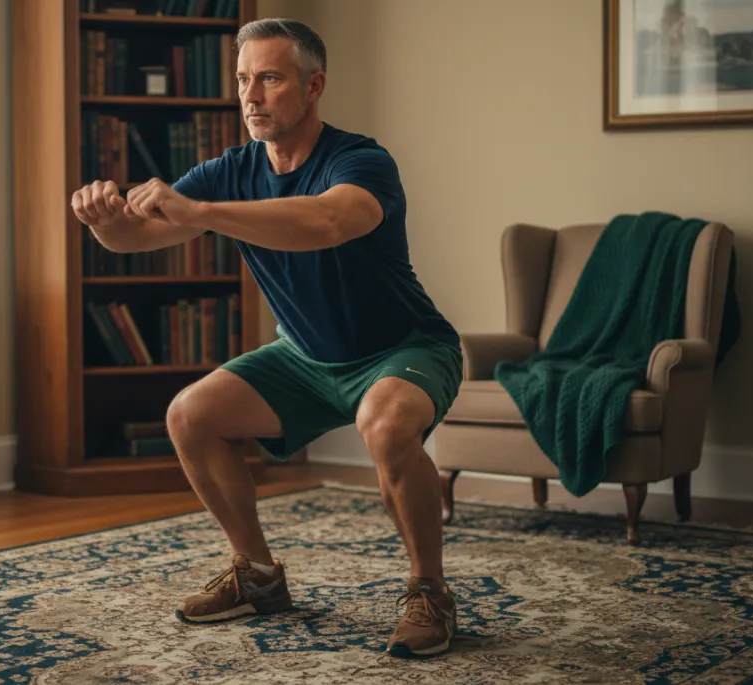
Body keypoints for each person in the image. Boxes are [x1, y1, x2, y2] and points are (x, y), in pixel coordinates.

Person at [70, 18, 463, 659]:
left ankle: (428, 591)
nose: (251, 96)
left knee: (388, 429)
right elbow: (141, 238)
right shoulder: (231, 169)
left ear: (313, 86)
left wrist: (200, 213)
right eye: (243, 80)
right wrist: (103, 223)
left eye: (270, 79)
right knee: (190, 414)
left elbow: (331, 220)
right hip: (305, 356)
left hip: (404, 348)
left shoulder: (360, 159)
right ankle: (256, 575)